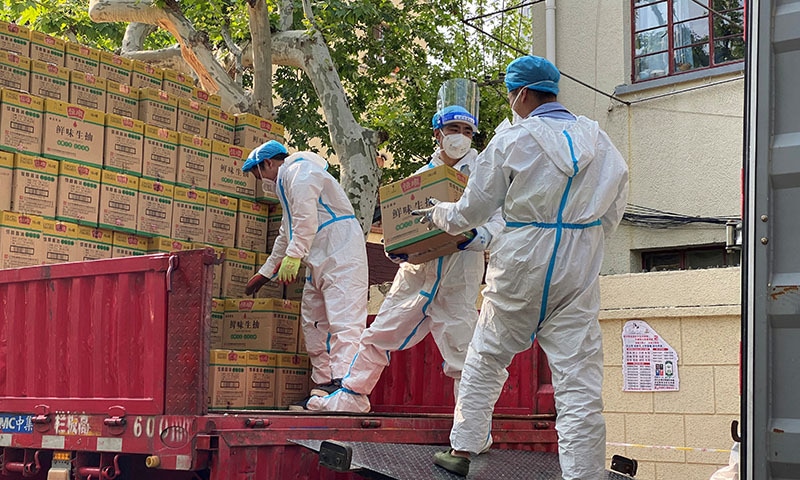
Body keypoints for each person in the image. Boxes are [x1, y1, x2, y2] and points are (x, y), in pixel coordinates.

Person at [417, 56, 629, 479]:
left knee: (487, 355)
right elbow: (614, 209)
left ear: (522, 93)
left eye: (511, 93)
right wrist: (582, 237)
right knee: (579, 380)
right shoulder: (600, 141)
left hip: (522, 260)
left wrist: (438, 213)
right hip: (578, 261)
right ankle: (584, 473)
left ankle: (464, 447)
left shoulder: (513, 141)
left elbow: (470, 212)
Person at [305, 103, 503, 415]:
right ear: (438, 134)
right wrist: (395, 249)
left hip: (457, 276)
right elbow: (400, 226)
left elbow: (499, 220)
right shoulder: (421, 179)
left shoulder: (484, 177)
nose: (460, 137)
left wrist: (482, 237)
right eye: (453, 130)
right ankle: (351, 397)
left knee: (463, 354)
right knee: (378, 334)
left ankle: (470, 427)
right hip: (416, 274)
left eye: (467, 132)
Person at [241, 140, 369, 410]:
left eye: (257, 173)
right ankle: (324, 386)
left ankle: (347, 387)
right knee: (315, 323)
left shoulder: (299, 172)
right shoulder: (286, 185)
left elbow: (305, 219)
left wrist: (294, 254)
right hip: (318, 256)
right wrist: (266, 272)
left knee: (344, 320)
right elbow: (286, 232)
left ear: (267, 163)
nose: (258, 180)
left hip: (341, 251)